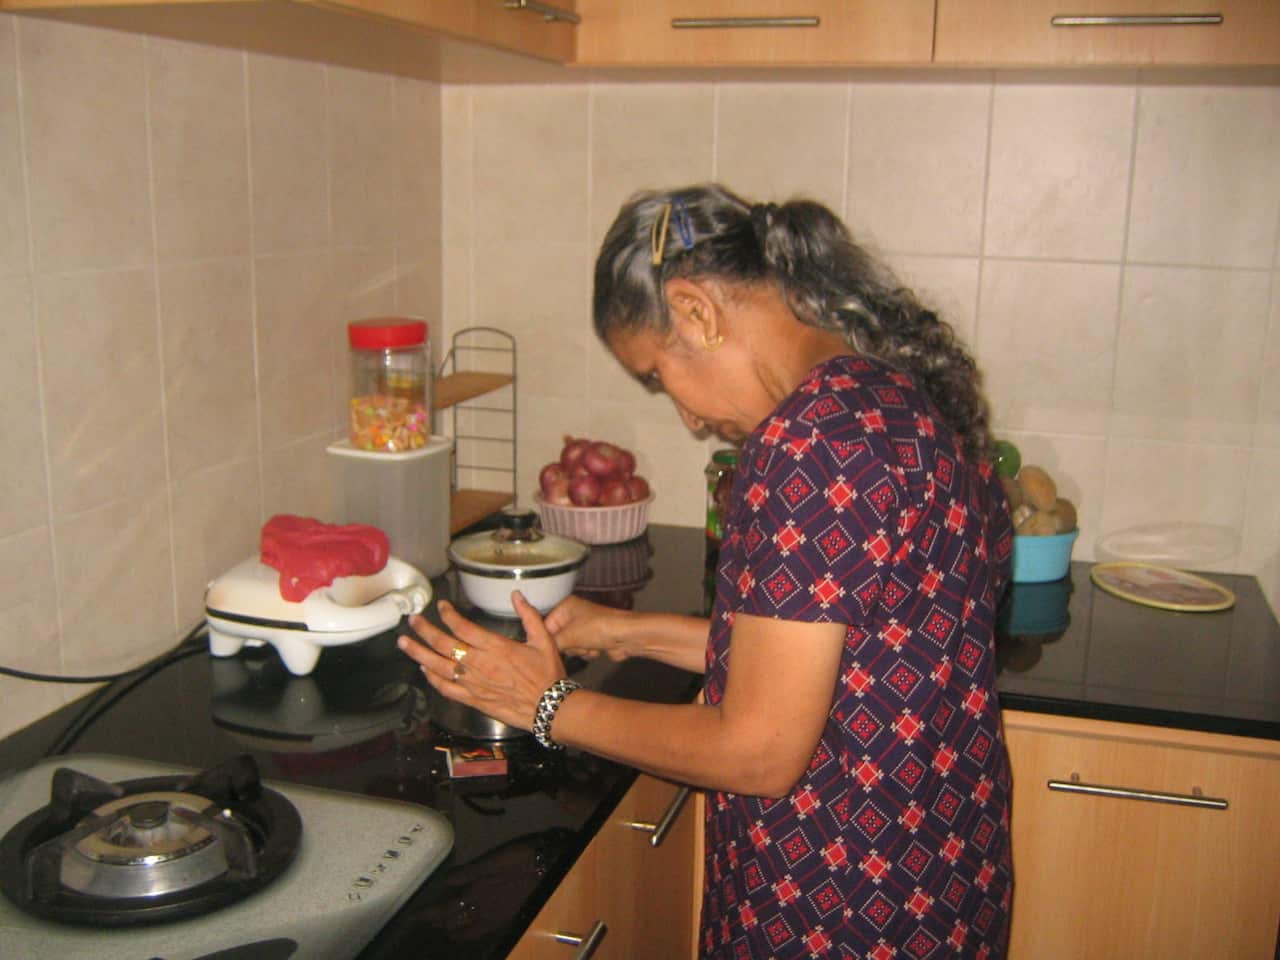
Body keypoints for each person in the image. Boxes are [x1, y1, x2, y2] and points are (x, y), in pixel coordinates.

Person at [398, 183, 1015, 959]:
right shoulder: (887, 391)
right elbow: (854, 656)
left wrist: (546, 704)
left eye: (658, 375)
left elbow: (757, 750)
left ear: (695, 311)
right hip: (940, 877)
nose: (688, 418)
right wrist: (628, 633)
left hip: (838, 908)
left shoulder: (808, 446)